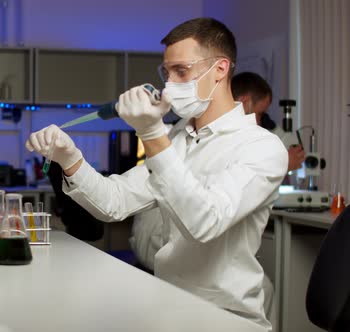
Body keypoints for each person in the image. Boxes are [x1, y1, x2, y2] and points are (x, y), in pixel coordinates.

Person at [26, 18, 288, 330]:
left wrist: (152, 134)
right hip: (167, 304)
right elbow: (116, 202)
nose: (170, 85)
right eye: (167, 73)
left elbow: (205, 222)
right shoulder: (177, 138)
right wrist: (71, 160)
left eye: (182, 71)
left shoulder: (261, 147)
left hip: (225, 319)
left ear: (220, 69)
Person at [232, 71, 305, 172]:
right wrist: (285, 164)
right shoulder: (229, 139)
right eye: (260, 113)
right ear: (244, 102)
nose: (258, 122)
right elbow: (247, 181)